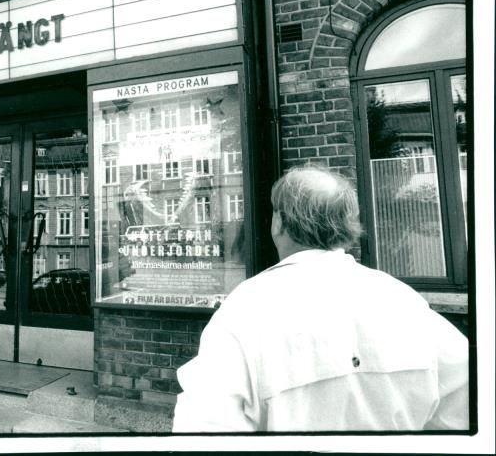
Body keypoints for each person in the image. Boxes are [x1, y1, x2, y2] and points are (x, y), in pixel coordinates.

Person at [172, 165, 468, 432]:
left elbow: (204, 430)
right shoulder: (403, 300)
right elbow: (466, 400)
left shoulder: (245, 309)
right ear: (347, 225)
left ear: (279, 223)